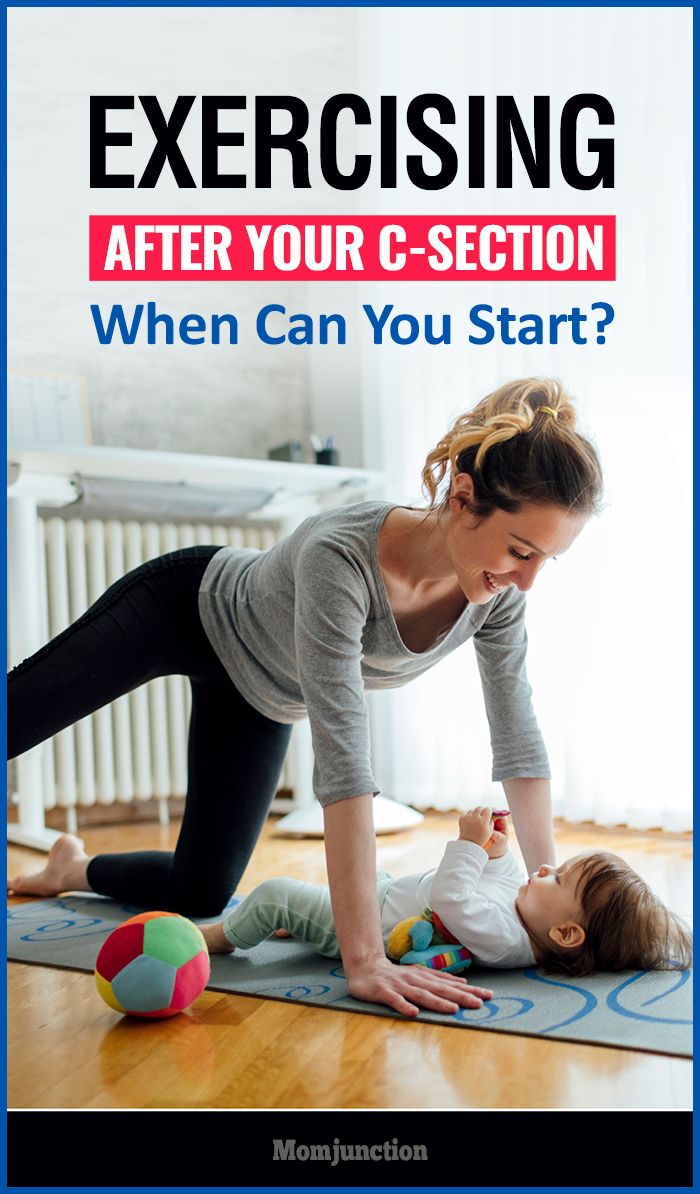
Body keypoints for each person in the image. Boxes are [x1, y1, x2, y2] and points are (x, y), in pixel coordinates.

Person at [8, 376, 603, 1017]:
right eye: (520, 551)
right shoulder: (339, 558)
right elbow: (344, 759)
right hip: (184, 610)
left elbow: (517, 736)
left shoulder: (498, 596)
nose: (528, 580)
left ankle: (72, 868)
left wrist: (543, 904)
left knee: (202, 889)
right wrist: (365, 958)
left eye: (545, 559)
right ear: (462, 498)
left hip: (260, 694)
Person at [199, 807, 693, 977]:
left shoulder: (504, 941)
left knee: (274, 892)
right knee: (345, 876)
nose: (544, 867)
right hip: (386, 895)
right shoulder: (524, 917)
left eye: (558, 878)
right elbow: (503, 882)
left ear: (566, 933)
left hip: (366, 923)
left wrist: (466, 845)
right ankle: (299, 924)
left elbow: (452, 901)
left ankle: (221, 936)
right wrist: (497, 849)